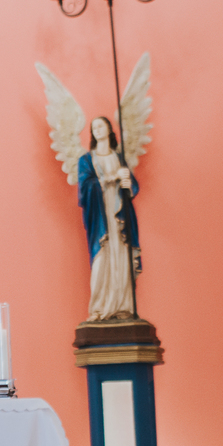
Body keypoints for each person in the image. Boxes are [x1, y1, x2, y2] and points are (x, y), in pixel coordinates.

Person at [79, 115, 140, 322]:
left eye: (100, 126)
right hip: (100, 217)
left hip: (120, 218)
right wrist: (110, 178)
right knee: (101, 260)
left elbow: (132, 186)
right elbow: (84, 189)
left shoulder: (119, 159)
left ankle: (123, 307)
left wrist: (128, 184)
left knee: (122, 258)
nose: (96, 130)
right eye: (93, 127)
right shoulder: (87, 160)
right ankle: (99, 308)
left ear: (108, 130)